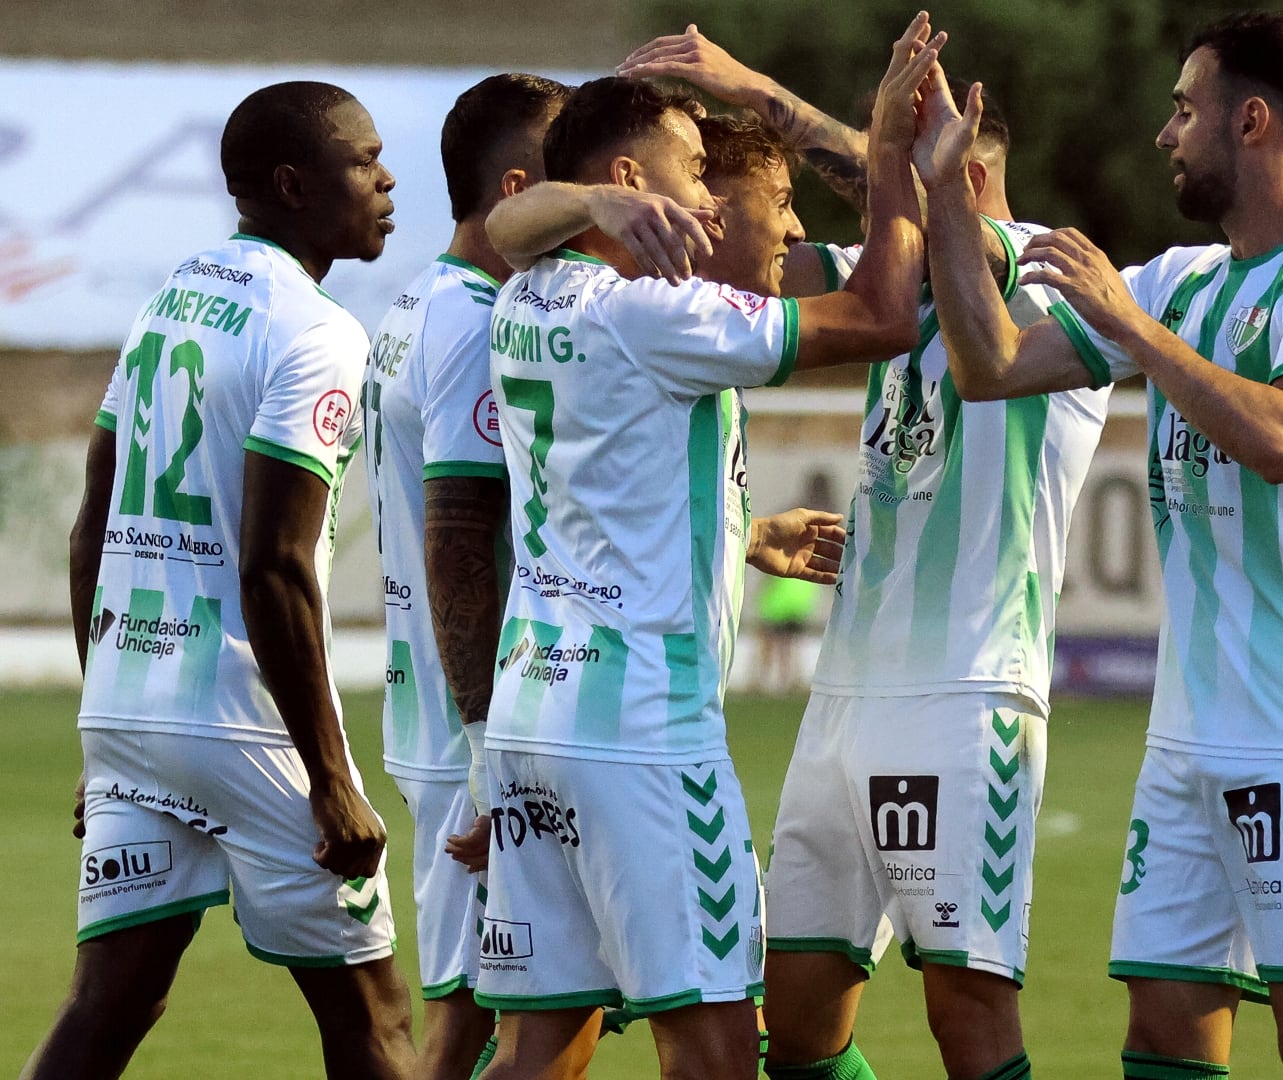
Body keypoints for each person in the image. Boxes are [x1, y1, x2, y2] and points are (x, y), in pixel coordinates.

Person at [917, 11, 1283, 1080]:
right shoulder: (1183, 277)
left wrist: (1135, 332)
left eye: (1185, 109)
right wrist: (945, 199)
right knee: (1164, 1028)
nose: (1165, 133)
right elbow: (992, 366)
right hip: (1193, 727)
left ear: (1251, 121)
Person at [622, 30, 1111, 1080]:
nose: (866, 208)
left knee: (969, 1025)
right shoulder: (874, 275)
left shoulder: (1042, 277)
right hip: (845, 697)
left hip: (965, 694)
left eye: (907, 161)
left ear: (961, 165)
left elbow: (957, 239)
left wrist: (764, 94)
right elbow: (742, 261)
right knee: (794, 1027)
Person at [466, 17, 937, 1077]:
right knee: (720, 1044)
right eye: (692, 171)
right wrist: (891, 158)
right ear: (632, 178)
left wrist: (740, 533)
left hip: (532, 715)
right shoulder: (653, 314)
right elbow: (883, 312)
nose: (712, 198)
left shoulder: (525, 296)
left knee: (538, 1046)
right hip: (642, 728)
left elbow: (512, 230)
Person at [26, 81, 412, 1079]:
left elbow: (90, 533)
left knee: (109, 1006)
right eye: (363, 163)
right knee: (376, 1024)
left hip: (131, 713)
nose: (386, 179)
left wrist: (106, 715)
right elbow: (276, 563)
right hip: (245, 725)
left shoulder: (166, 305)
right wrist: (329, 781)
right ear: (292, 185)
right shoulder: (316, 330)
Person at [362, 71, 570, 1080]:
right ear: (519, 187)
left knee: (529, 1024)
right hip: (473, 737)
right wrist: (492, 749)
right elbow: (457, 539)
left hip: (452, 721)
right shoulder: (472, 322)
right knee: (467, 1030)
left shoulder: (416, 304)